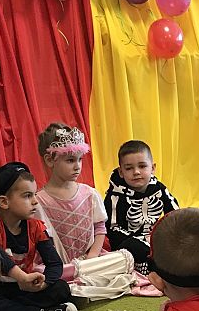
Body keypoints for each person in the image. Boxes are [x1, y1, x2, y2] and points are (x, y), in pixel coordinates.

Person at [35, 123, 136, 300]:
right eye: (70, 160)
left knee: (124, 258)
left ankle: (78, 283)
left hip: (91, 260)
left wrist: (92, 257)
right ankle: (78, 282)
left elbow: (100, 229)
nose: (77, 166)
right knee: (40, 273)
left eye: (80, 159)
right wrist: (61, 265)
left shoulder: (89, 194)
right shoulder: (39, 201)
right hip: (60, 266)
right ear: (50, 160)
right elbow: (41, 241)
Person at [0, 161, 78, 311]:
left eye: (35, 194)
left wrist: (43, 283)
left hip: (24, 290)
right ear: (4, 202)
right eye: (27, 196)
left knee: (61, 288)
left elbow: (54, 263)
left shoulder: (35, 227)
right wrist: (21, 277)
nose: (35, 201)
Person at [103, 140, 178, 275]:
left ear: (153, 168)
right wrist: (140, 240)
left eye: (142, 166)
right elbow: (112, 228)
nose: (136, 172)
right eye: (129, 168)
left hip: (153, 238)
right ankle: (158, 271)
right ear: (121, 172)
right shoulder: (115, 196)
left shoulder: (159, 189)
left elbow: (175, 214)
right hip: (127, 243)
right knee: (136, 247)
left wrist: (162, 235)